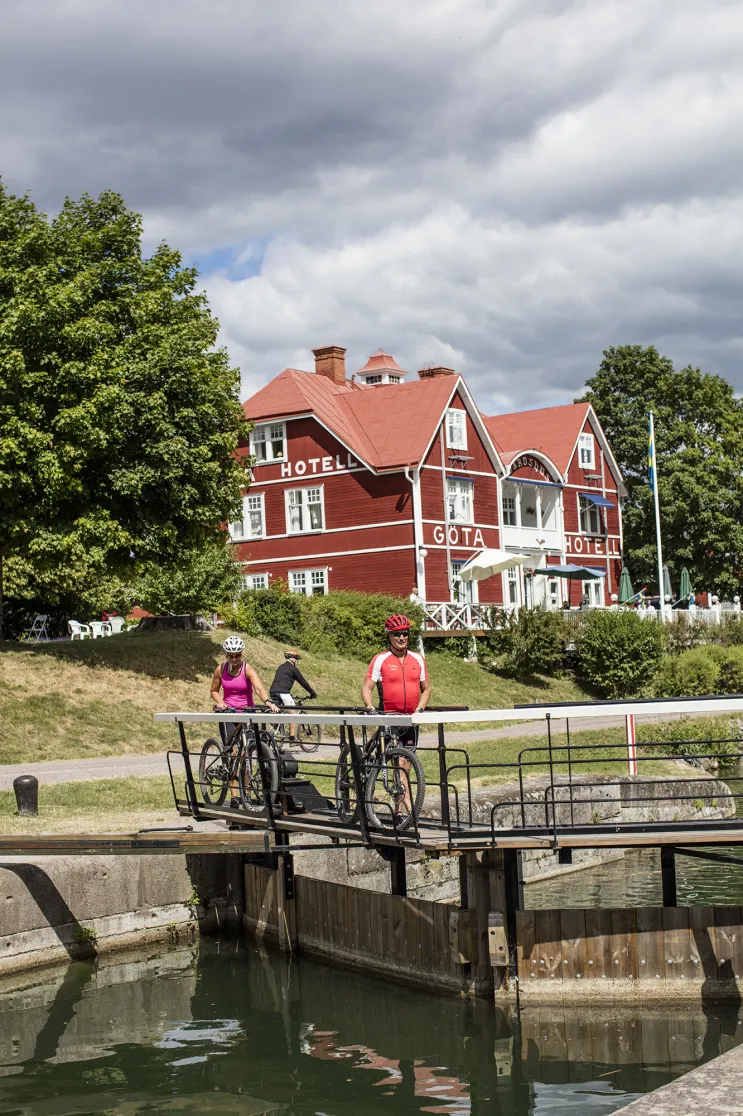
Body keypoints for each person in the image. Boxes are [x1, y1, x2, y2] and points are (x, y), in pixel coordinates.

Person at [361, 614, 431, 816]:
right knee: (399, 762)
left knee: (406, 764)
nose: (401, 638)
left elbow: (426, 689)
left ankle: (399, 808)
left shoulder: (417, 658)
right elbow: (367, 687)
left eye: (405, 634)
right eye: (397, 635)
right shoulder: (381, 659)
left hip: (411, 719)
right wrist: (370, 707)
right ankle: (410, 809)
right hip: (389, 717)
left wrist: (420, 710)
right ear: (389, 636)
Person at [210, 635, 279, 752]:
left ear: (241, 654)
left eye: (238, 655)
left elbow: (259, 688)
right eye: (230, 656)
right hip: (228, 712)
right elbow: (213, 691)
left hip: (247, 711)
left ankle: (247, 770)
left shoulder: (247, 669)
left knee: (248, 748)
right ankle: (229, 767)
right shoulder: (220, 669)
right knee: (233, 750)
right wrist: (220, 702)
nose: (234, 659)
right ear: (226, 655)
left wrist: (267, 702)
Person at [269, 650, 317, 742]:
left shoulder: (280, 667)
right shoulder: (293, 668)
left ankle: (275, 728)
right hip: (283, 692)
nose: (297, 661)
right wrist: (312, 692)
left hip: (273, 692)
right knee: (293, 714)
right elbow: (303, 682)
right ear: (293, 659)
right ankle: (292, 739)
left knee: (280, 711)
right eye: (296, 659)